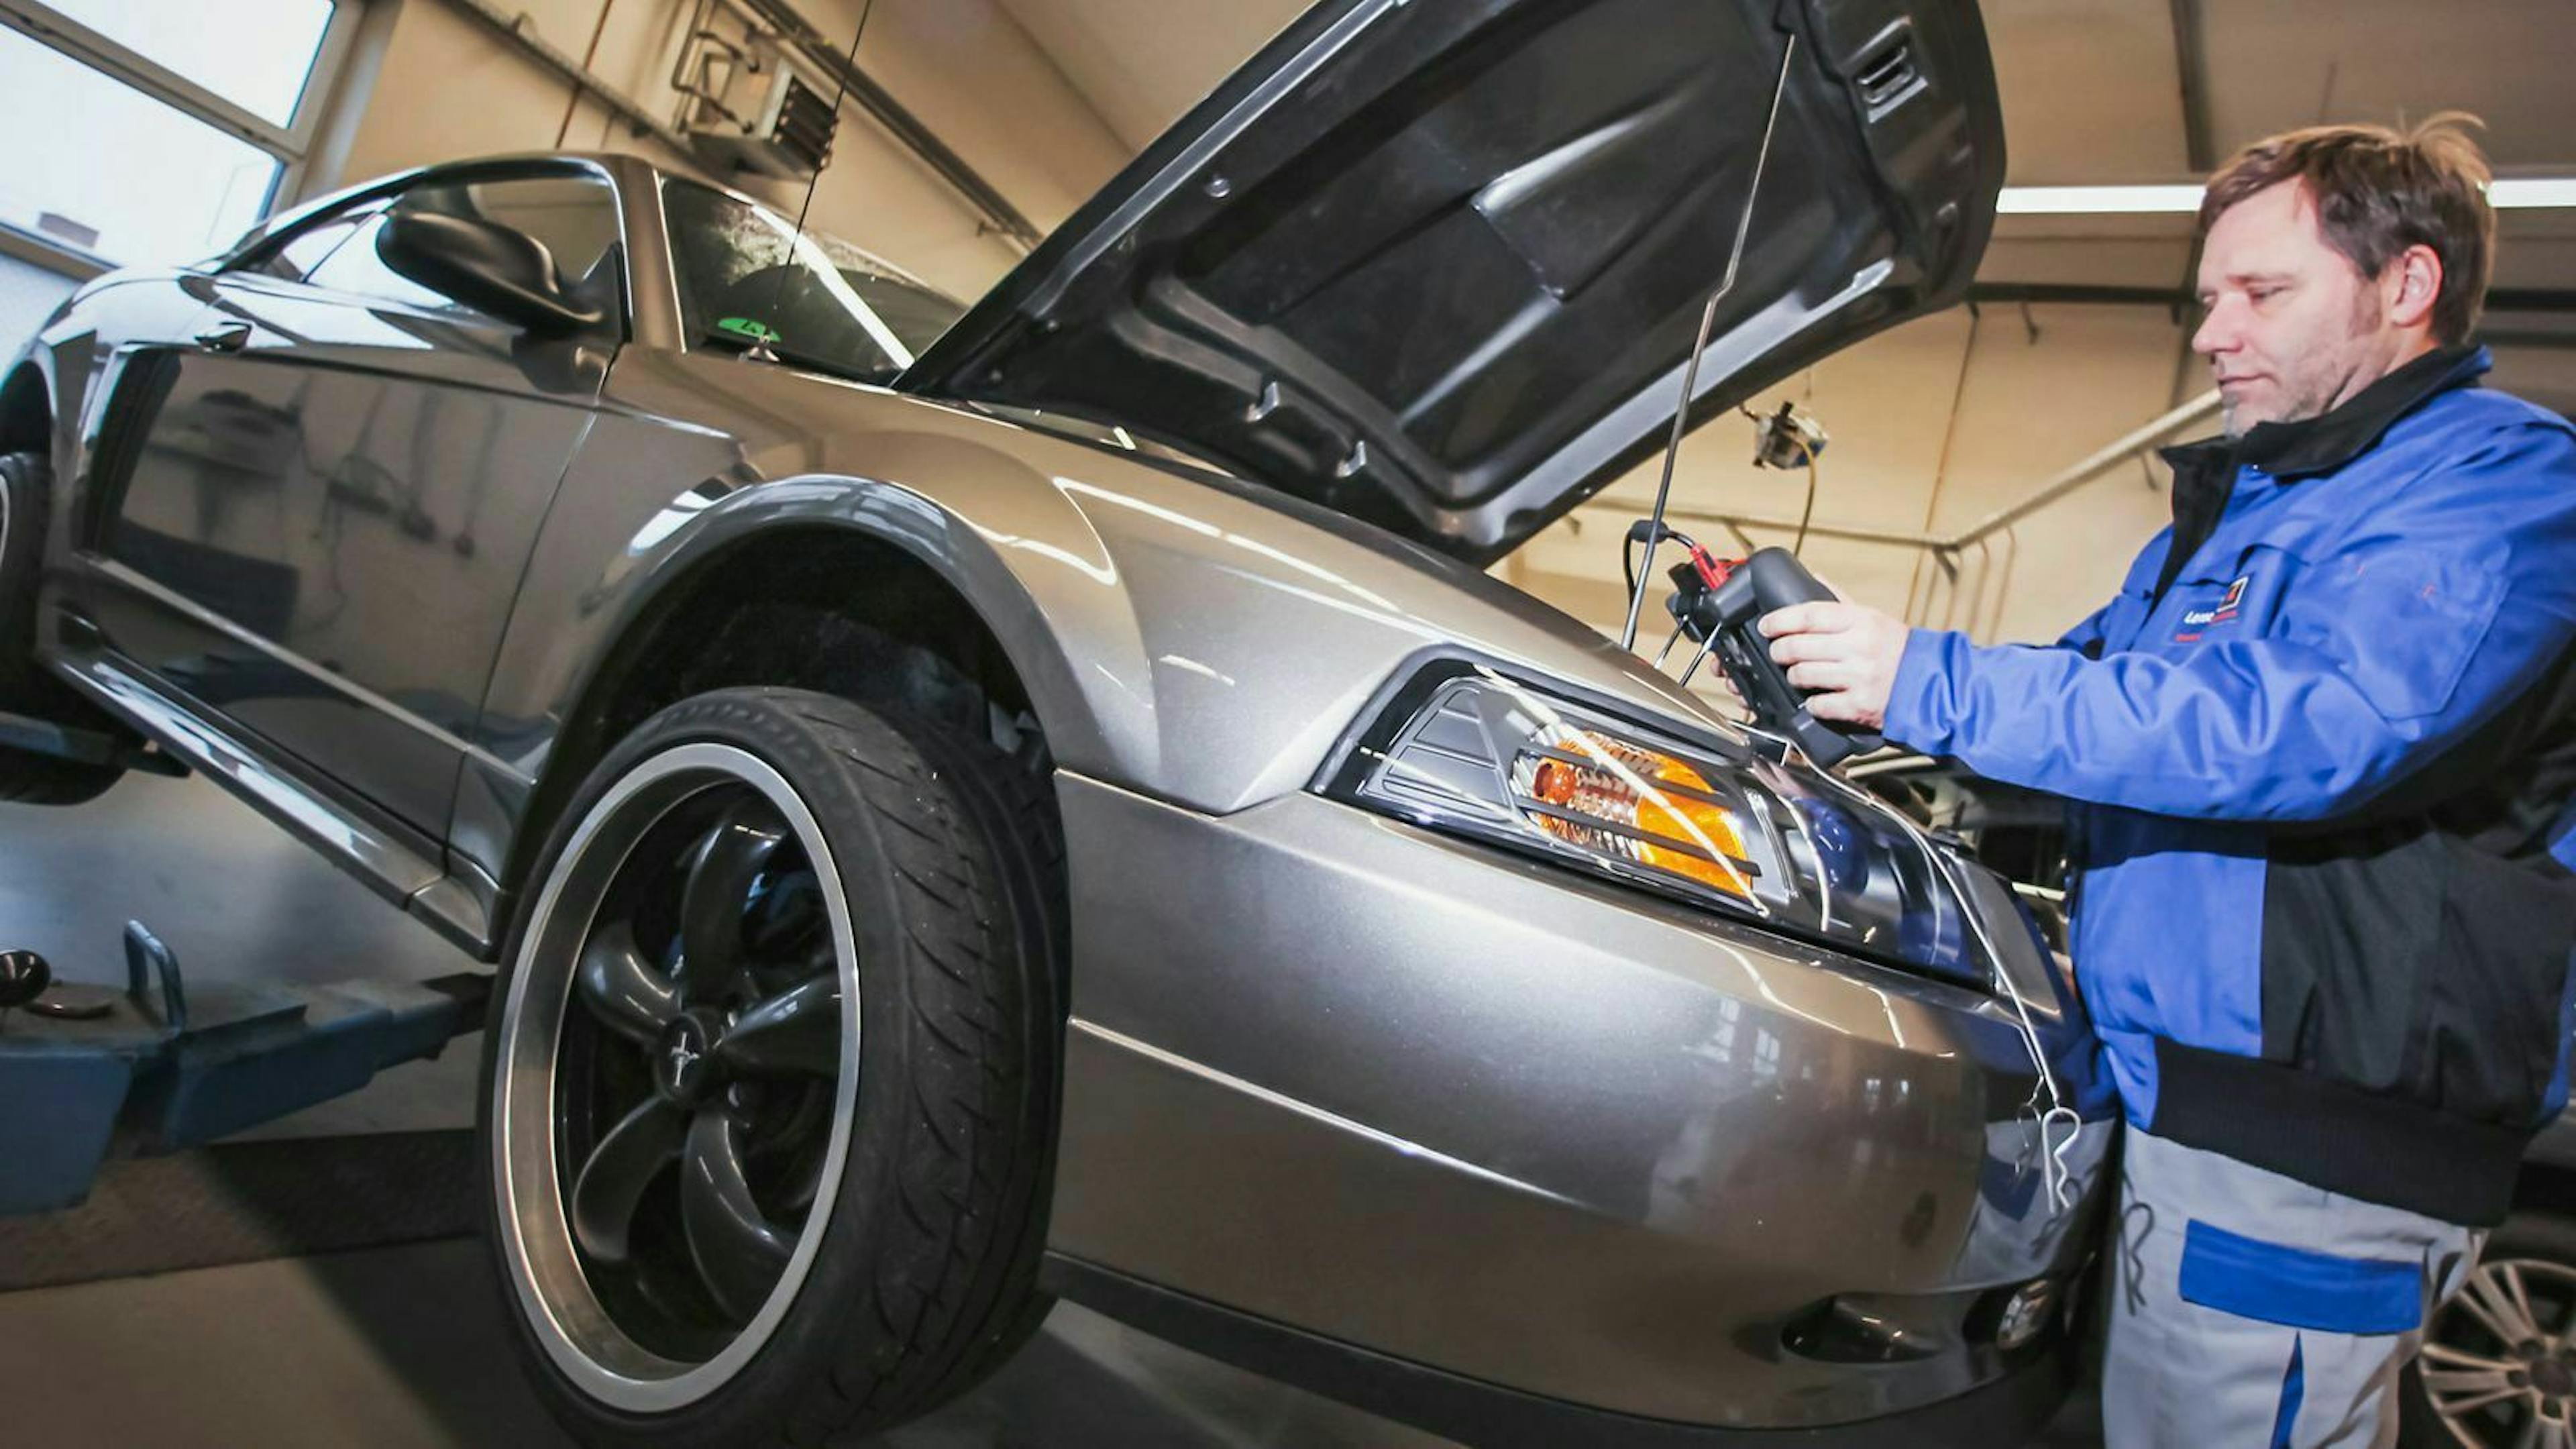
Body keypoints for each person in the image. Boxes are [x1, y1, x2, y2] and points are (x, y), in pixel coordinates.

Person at [1761, 115, 2576, 1447]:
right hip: (2164, 1099)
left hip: (2307, 1150)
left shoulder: (2504, 486)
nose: (2213, 334)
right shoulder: (2258, 509)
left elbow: (2314, 728)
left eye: (2262, 293)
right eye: (2208, 299)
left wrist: (1929, 680)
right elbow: (2093, 698)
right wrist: (1870, 710)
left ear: (2406, 286)